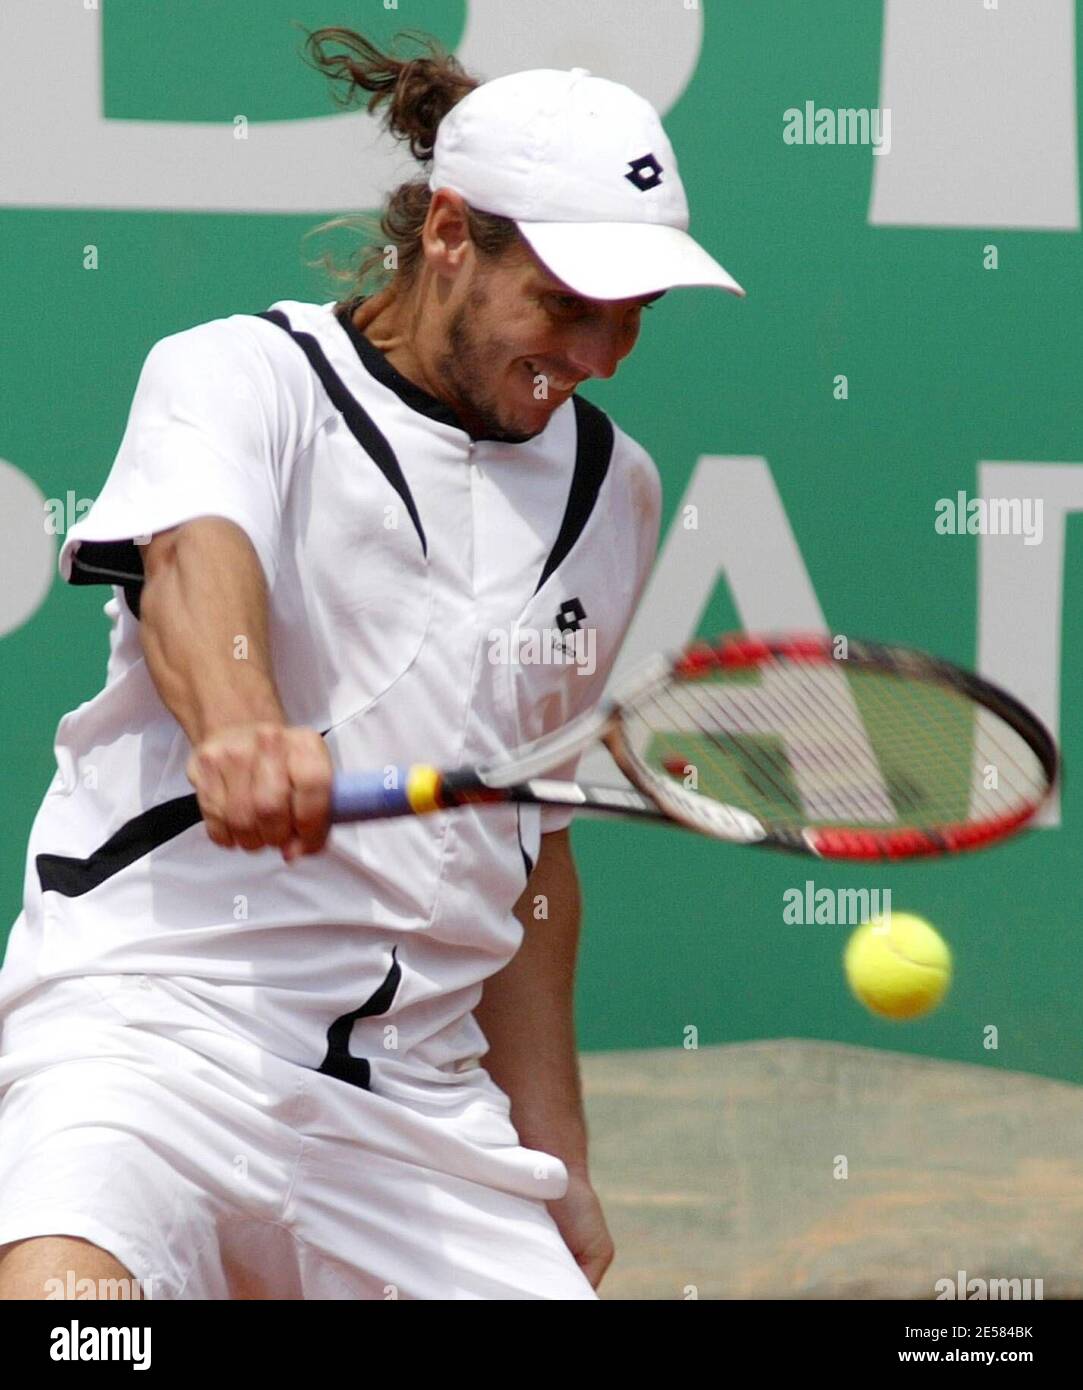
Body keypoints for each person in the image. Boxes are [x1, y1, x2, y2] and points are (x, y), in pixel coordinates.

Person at [0, 28, 743, 1300]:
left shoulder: (614, 489)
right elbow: (191, 558)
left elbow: (532, 847)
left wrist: (555, 1144)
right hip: (154, 1034)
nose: (603, 354)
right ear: (452, 234)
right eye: (566, 303)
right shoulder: (238, 377)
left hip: (418, 1111)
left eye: (635, 316)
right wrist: (240, 722)